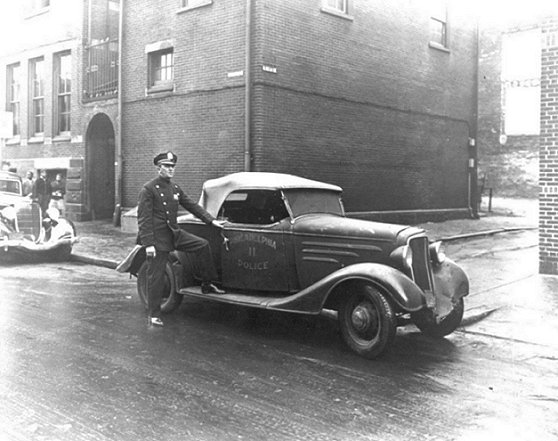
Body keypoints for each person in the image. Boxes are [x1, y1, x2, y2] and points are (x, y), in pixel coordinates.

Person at [137, 151, 225, 327]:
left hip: (174, 233)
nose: (171, 170)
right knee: (156, 276)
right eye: (167, 166)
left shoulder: (174, 188)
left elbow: (191, 205)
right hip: (157, 238)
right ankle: (153, 314)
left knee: (202, 245)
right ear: (158, 168)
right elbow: (144, 218)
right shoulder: (149, 189)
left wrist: (211, 220)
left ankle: (207, 284)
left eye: (172, 167)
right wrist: (148, 244)